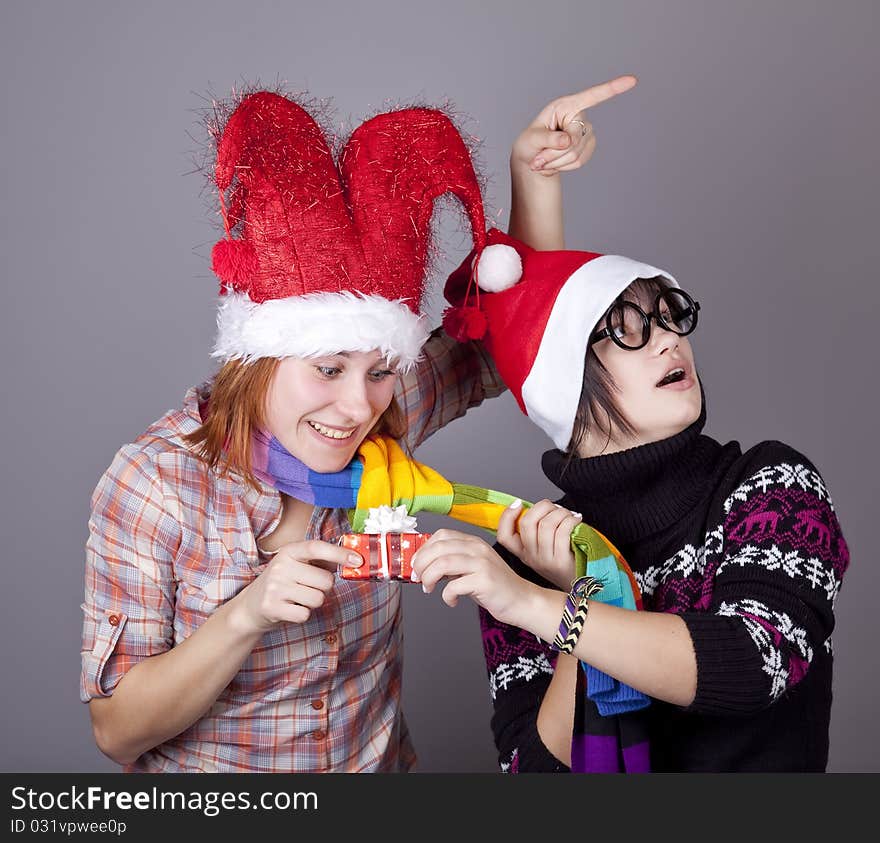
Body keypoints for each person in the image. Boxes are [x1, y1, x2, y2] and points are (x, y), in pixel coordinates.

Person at [80, 81, 626, 772]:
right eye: (329, 368)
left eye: (378, 369)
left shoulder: (382, 421)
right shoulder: (152, 482)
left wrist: (533, 175)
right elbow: (115, 730)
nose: (355, 407)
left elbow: (502, 339)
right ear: (258, 358)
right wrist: (245, 615)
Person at [412, 95, 850, 772]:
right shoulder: (531, 556)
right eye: (625, 327)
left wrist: (546, 607)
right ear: (565, 378)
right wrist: (580, 588)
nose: (668, 340)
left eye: (670, 315)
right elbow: (535, 772)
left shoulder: (768, 484)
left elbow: (754, 659)